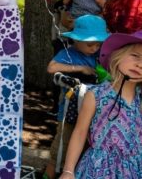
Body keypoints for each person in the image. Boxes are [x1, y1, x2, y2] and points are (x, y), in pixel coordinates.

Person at [60, 30, 142, 178]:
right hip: (97, 169)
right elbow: (79, 133)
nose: (140, 65)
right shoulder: (95, 95)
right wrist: (68, 171)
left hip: (135, 170)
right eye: (135, 56)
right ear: (118, 56)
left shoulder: (140, 101)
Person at [43, 15, 109, 179]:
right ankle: (47, 175)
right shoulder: (69, 52)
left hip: (94, 111)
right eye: (90, 44)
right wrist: (79, 68)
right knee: (61, 148)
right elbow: (52, 68)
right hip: (70, 111)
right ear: (77, 40)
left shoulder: (101, 54)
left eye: (98, 44)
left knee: (86, 146)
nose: (94, 48)